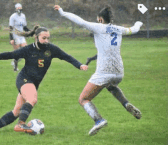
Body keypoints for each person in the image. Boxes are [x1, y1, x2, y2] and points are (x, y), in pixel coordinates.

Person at [54, 5, 143, 136]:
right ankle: (126, 104)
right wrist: (139, 22)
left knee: (83, 99)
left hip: (104, 71)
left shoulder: (98, 27)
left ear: (100, 19)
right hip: (119, 71)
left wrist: (62, 13)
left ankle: (98, 120)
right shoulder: (119, 29)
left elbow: (79, 20)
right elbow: (134, 29)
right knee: (111, 86)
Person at [0, 27, 88, 134]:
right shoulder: (28, 49)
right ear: (36, 37)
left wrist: (80, 65)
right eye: (44, 38)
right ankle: (21, 124)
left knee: (17, 111)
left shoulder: (51, 49)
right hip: (24, 79)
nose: (46, 41)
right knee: (32, 99)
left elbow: (66, 57)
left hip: (33, 83)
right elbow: (11, 54)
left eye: (48, 38)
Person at [9, 3, 31, 71]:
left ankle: (15, 62)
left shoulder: (23, 16)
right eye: (18, 8)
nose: (19, 9)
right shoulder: (13, 16)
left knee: (26, 50)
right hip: (15, 35)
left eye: (20, 8)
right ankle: (15, 68)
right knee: (17, 52)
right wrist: (11, 38)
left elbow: (24, 26)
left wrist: (30, 32)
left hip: (21, 35)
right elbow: (11, 28)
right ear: (15, 9)